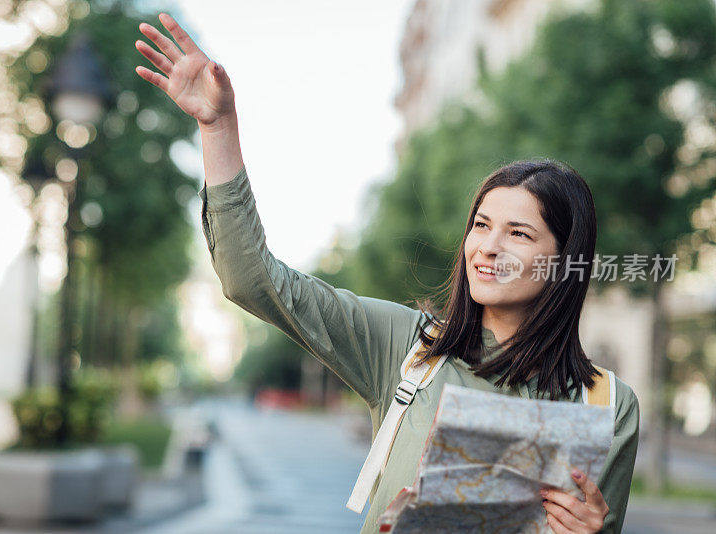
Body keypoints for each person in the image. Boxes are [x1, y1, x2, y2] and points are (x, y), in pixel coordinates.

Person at [135, 13, 639, 533]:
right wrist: (218, 129)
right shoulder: (408, 348)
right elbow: (251, 279)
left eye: (518, 233)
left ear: (563, 261)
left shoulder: (608, 406)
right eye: (481, 225)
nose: (487, 248)